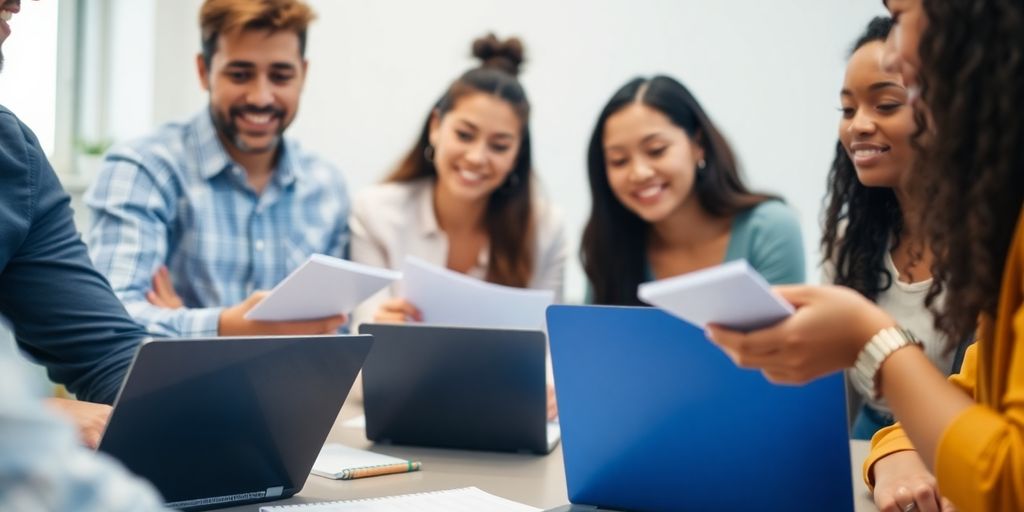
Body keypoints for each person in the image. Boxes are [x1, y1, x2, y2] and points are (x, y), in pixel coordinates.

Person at [707, 1, 1024, 510]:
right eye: (847, 109)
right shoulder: (859, 239)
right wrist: (892, 450)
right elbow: (969, 399)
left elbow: (1006, 475)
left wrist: (870, 337)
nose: (894, 52)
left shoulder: (996, 238)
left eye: (900, 17)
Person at [86, 0, 348, 338]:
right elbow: (109, 320)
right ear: (203, 71)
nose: (261, 97)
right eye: (240, 74)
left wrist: (182, 325)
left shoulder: (326, 186)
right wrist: (228, 326)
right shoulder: (144, 169)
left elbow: (334, 332)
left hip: (289, 391)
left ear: (303, 74)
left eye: (281, 76)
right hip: (176, 392)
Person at [0, 1, 170, 508]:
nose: (16, 7)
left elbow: (105, 350)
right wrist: (32, 419)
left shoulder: (13, 157)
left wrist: (210, 410)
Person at [350, 33, 567, 324]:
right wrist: (379, 327)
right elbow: (361, 330)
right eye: (464, 135)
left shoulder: (545, 230)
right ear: (436, 127)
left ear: (517, 155)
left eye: (499, 146)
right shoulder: (375, 212)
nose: (477, 157)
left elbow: (549, 346)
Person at [823, 16, 962, 440]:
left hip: (956, 451)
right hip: (867, 446)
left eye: (885, 105)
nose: (859, 125)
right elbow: (836, 397)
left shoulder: (994, 247)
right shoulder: (851, 242)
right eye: (848, 109)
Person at [581, 75, 804, 306]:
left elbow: (784, 339)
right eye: (618, 161)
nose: (639, 173)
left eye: (656, 150)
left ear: (698, 145)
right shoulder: (608, 244)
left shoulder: (768, 229)